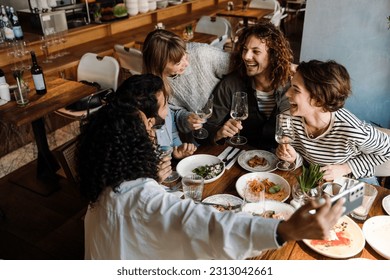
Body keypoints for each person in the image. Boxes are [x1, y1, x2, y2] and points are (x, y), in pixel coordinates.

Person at [77, 74, 345, 260]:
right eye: (155, 125)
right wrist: (284, 230)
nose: (157, 129)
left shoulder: (102, 183)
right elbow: (209, 227)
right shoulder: (143, 199)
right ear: (141, 134)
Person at [276, 60, 390, 184]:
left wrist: (344, 168)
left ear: (319, 100)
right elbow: (305, 158)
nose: (287, 93)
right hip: (316, 178)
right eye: (291, 86)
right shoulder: (288, 119)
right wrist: (293, 157)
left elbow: (388, 150)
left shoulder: (351, 129)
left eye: (296, 90)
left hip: (354, 179)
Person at [202, 20, 293, 150]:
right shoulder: (231, 84)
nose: (246, 56)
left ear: (273, 56)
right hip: (239, 156)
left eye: (256, 51)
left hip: (278, 160)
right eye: (245, 50)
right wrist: (218, 133)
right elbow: (207, 126)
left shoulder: (291, 86)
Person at [142, 29, 231, 137]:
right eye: (178, 63)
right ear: (158, 67)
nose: (187, 63)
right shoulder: (155, 86)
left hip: (230, 114)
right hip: (206, 132)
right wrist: (187, 119)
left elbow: (238, 65)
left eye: (185, 54)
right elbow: (175, 115)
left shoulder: (201, 53)